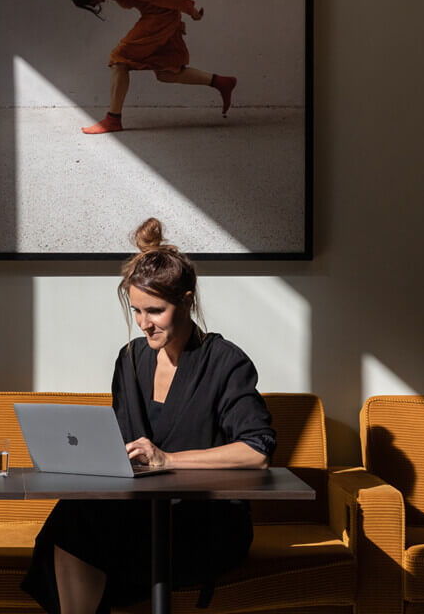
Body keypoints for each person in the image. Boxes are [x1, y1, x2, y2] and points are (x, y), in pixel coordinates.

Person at [20, 217, 276, 614]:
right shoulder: (131, 360)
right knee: (71, 516)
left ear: (187, 300)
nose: (143, 324)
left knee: (81, 531)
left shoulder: (226, 362)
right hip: (141, 512)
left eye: (155, 311)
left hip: (205, 520)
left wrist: (169, 460)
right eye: (136, 310)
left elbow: (257, 451)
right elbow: (122, 444)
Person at [67, 0, 237, 134]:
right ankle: (221, 82)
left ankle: (113, 120)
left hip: (161, 16)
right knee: (167, 72)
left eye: (90, 1)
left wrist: (189, 9)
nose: (96, 4)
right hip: (165, 16)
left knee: (119, 59)